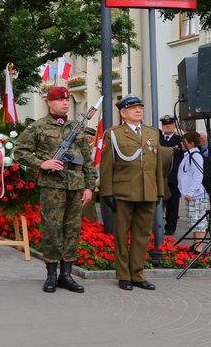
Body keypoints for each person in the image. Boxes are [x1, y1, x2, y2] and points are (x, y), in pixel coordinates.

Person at [15, 87, 95, 293]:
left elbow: (86, 158)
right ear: (49, 102)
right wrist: (42, 163)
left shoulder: (76, 127)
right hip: (52, 187)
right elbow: (19, 152)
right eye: (60, 100)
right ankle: (51, 274)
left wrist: (89, 186)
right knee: (52, 230)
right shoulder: (38, 127)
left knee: (72, 230)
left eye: (67, 100)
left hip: (76, 186)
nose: (65, 103)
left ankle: (66, 275)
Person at [100, 96, 164, 291]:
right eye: (133, 108)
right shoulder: (113, 134)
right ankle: (123, 275)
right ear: (123, 112)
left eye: (140, 107)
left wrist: (159, 190)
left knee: (142, 235)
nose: (138, 110)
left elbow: (157, 165)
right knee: (121, 235)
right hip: (123, 192)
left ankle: (137, 274)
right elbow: (106, 166)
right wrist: (107, 193)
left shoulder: (152, 133)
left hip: (147, 191)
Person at [177, 130, 208, 252]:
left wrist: (190, 192)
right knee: (194, 221)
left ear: (191, 143)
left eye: (184, 142)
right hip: (192, 195)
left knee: (198, 221)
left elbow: (197, 176)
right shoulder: (189, 155)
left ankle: (199, 248)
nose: (182, 144)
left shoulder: (195, 156)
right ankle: (196, 246)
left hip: (196, 195)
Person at [159, 115, 183, 235]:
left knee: (172, 205)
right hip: (159, 177)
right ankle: (156, 226)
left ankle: (170, 227)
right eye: (165, 124)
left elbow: (183, 160)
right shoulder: (158, 140)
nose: (167, 126)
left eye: (170, 124)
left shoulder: (180, 141)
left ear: (174, 125)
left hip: (173, 177)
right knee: (157, 203)